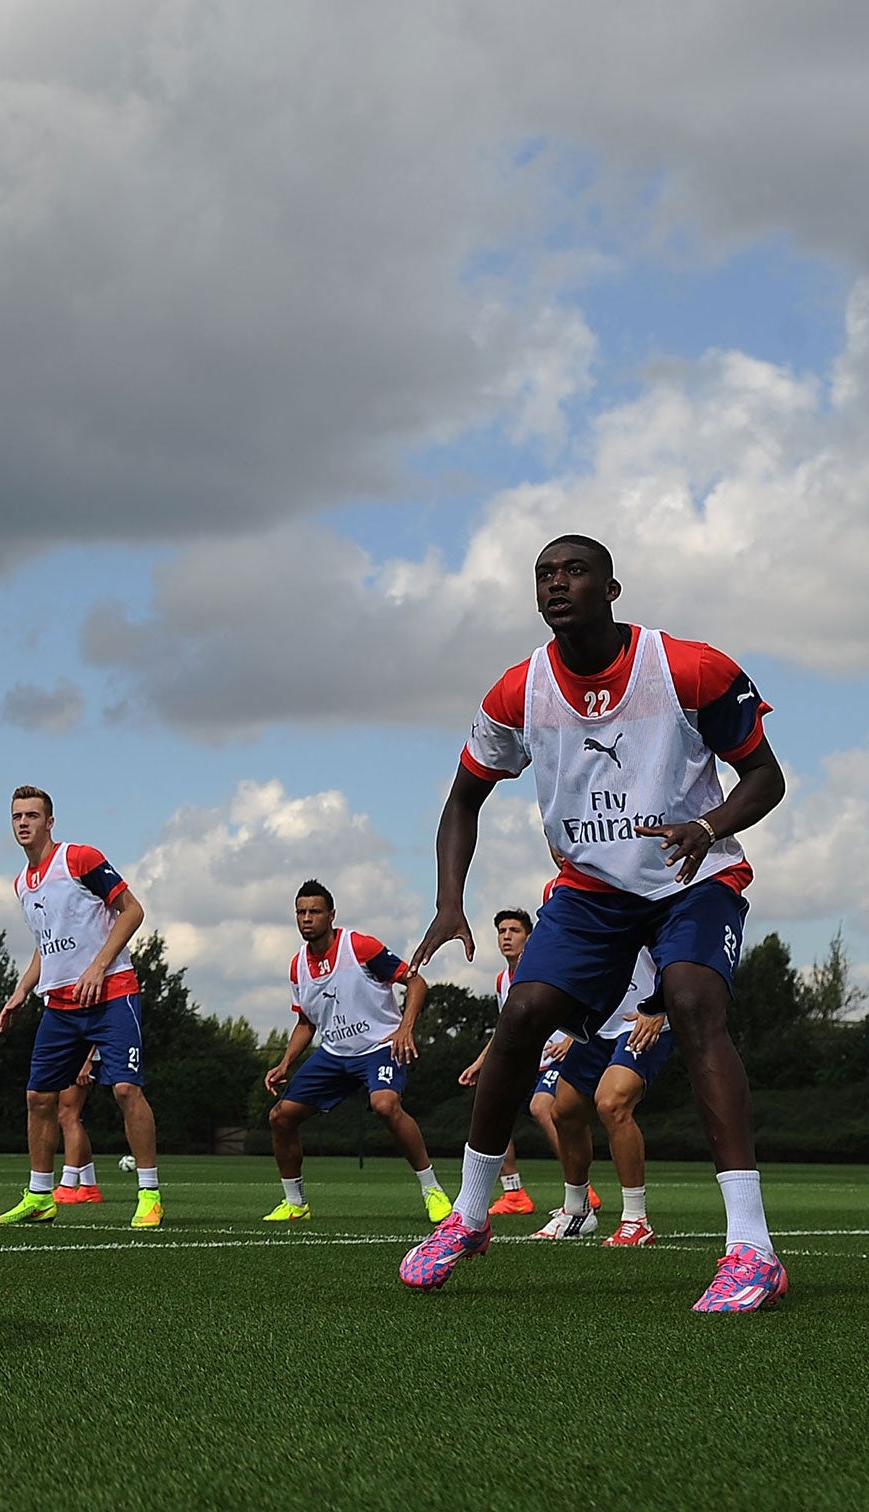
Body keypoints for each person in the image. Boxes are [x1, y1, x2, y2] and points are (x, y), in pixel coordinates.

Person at [401, 535, 787, 1312]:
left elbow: (765, 777)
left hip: (693, 874)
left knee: (691, 1000)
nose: (557, 584)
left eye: (574, 571)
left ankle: (752, 1248)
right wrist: (450, 900)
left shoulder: (689, 668)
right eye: (544, 573)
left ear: (612, 588)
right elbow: (463, 800)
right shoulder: (519, 692)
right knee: (523, 1013)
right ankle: (469, 1218)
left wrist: (707, 826)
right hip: (591, 889)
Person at [0, 787, 161, 1230]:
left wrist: (98, 967)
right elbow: (44, 946)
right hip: (60, 1005)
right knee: (38, 1098)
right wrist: (21, 990)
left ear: (50, 822)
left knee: (125, 1090)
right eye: (16, 816)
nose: (23, 823)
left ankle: (149, 1195)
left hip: (112, 994)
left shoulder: (79, 859)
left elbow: (132, 911)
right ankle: (40, 1196)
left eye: (32, 815)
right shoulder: (21, 884)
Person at [262, 881, 449, 1224]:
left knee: (385, 1106)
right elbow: (306, 1022)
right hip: (334, 1055)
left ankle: (432, 1191)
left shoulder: (360, 946)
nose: (307, 919)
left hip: (379, 1047)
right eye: (301, 912)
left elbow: (416, 982)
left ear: (331, 915)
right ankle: (295, 1203)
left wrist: (405, 1028)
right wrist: (285, 1062)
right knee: (280, 1117)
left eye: (315, 912)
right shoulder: (297, 966)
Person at [534, 941, 671, 1246]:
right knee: (564, 1112)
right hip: (598, 1022)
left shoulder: (658, 894)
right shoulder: (567, 894)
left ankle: (637, 1220)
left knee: (612, 1104)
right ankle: (576, 1212)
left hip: (643, 1019)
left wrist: (660, 1004)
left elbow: (675, 954)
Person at [459, 907, 577, 1217]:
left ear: (529, 937)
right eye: (502, 931)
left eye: (515, 931)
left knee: (542, 1107)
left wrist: (570, 1040)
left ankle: (580, 1187)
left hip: (556, 1059)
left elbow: (582, 1006)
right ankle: (514, 1194)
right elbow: (504, 1029)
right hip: (527, 1060)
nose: (507, 937)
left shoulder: (545, 969)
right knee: (494, 1107)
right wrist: (480, 1062)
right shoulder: (502, 981)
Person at [53, 1049, 104, 1204]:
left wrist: (88, 1059)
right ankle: (89, 1186)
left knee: (68, 1114)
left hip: (83, 1054)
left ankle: (67, 1186)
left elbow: (97, 1025)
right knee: (68, 1115)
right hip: (75, 1052)